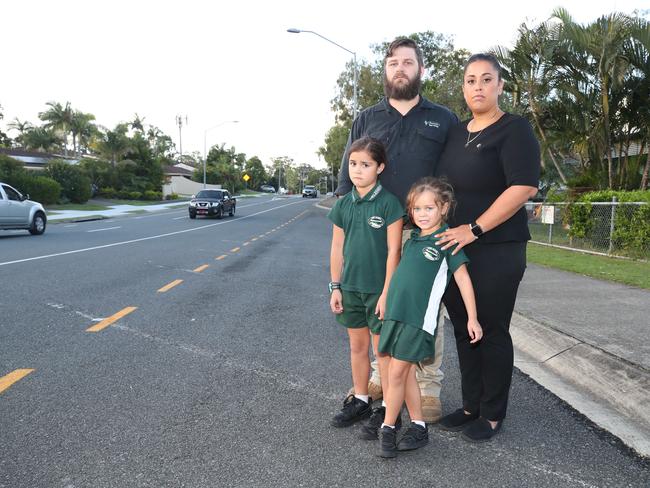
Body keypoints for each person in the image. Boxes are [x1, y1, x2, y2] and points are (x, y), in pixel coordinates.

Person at [336, 36, 458, 425]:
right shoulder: (366, 118)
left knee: (425, 313)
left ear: (421, 69)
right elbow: (347, 179)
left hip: (424, 234)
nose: (400, 69)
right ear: (385, 71)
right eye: (393, 64)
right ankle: (379, 375)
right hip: (376, 233)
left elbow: (454, 177)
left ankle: (428, 387)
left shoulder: (443, 119)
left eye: (408, 62)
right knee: (378, 305)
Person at [435, 53, 540, 442]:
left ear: (500, 86)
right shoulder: (456, 133)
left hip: (497, 247)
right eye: (470, 80)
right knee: (463, 327)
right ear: (463, 88)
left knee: (492, 329)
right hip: (455, 248)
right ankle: (470, 406)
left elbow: (524, 187)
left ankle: (493, 414)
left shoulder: (514, 130)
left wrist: (473, 229)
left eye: (485, 79)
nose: (477, 87)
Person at [375, 177, 482, 458]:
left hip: (418, 320)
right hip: (396, 315)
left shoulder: (447, 240)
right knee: (404, 371)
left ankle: (388, 427)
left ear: (444, 208)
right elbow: (400, 276)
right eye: (416, 209)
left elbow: (463, 279)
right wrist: (386, 298)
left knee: (397, 372)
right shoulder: (412, 241)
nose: (421, 214)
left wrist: (473, 318)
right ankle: (419, 426)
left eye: (428, 208)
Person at [328, 136, 404, 428]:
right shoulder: (343, 204)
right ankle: (361, 399)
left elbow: (393, 252)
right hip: (350, 289)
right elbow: (337, 248)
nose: (357, 170)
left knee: (381, 351)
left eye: (365, 164)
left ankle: (388, 410)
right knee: (356, 348)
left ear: (380, 167)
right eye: (353, 163)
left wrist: (387, 293)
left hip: (378, 292)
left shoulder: (389, 204)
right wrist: (336, 286)